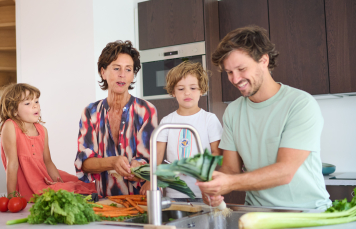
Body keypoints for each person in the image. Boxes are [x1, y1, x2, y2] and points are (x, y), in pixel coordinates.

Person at [197, 26, 331, 210]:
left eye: (241, 69)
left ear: (264, 60)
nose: (235, 79)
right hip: (257, 212)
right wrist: (213, 185)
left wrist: (229, 183)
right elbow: (231, 170)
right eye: (229, 72)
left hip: (307, 213)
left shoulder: (300, 104)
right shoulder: (233, 111)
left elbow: (284, 172)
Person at [75, 40, 158, 197]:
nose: (122, 75)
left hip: (140, 200)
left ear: (133, 75)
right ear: (103, 72)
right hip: (105, 203)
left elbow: (151, 160)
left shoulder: (146, 110)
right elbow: (84, 163)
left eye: (128, 69)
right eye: (116, 68)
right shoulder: (90, 112)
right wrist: (113, 162)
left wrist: (137, 167)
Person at [0, 83, 96, 201]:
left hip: (45, 174)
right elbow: (12, 163)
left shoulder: (42, 130)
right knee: (70, 189)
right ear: (14, 111)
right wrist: (11, 196)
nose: (35, 106)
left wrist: (57, 182)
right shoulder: (10, 126)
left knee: (77, 182)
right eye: (28, 103)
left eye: (36, 101)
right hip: (30, 184)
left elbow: (48, 161)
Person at [152, 61, 223, 198]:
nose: (187, 93)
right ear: (173, 92)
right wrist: (151, 179)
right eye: (180, 89)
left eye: (193, 88)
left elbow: (217, 152)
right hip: (174, 193)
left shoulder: (209, 119)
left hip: (202, 192)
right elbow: (157, 156)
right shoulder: (167, 121)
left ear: (201, 90)